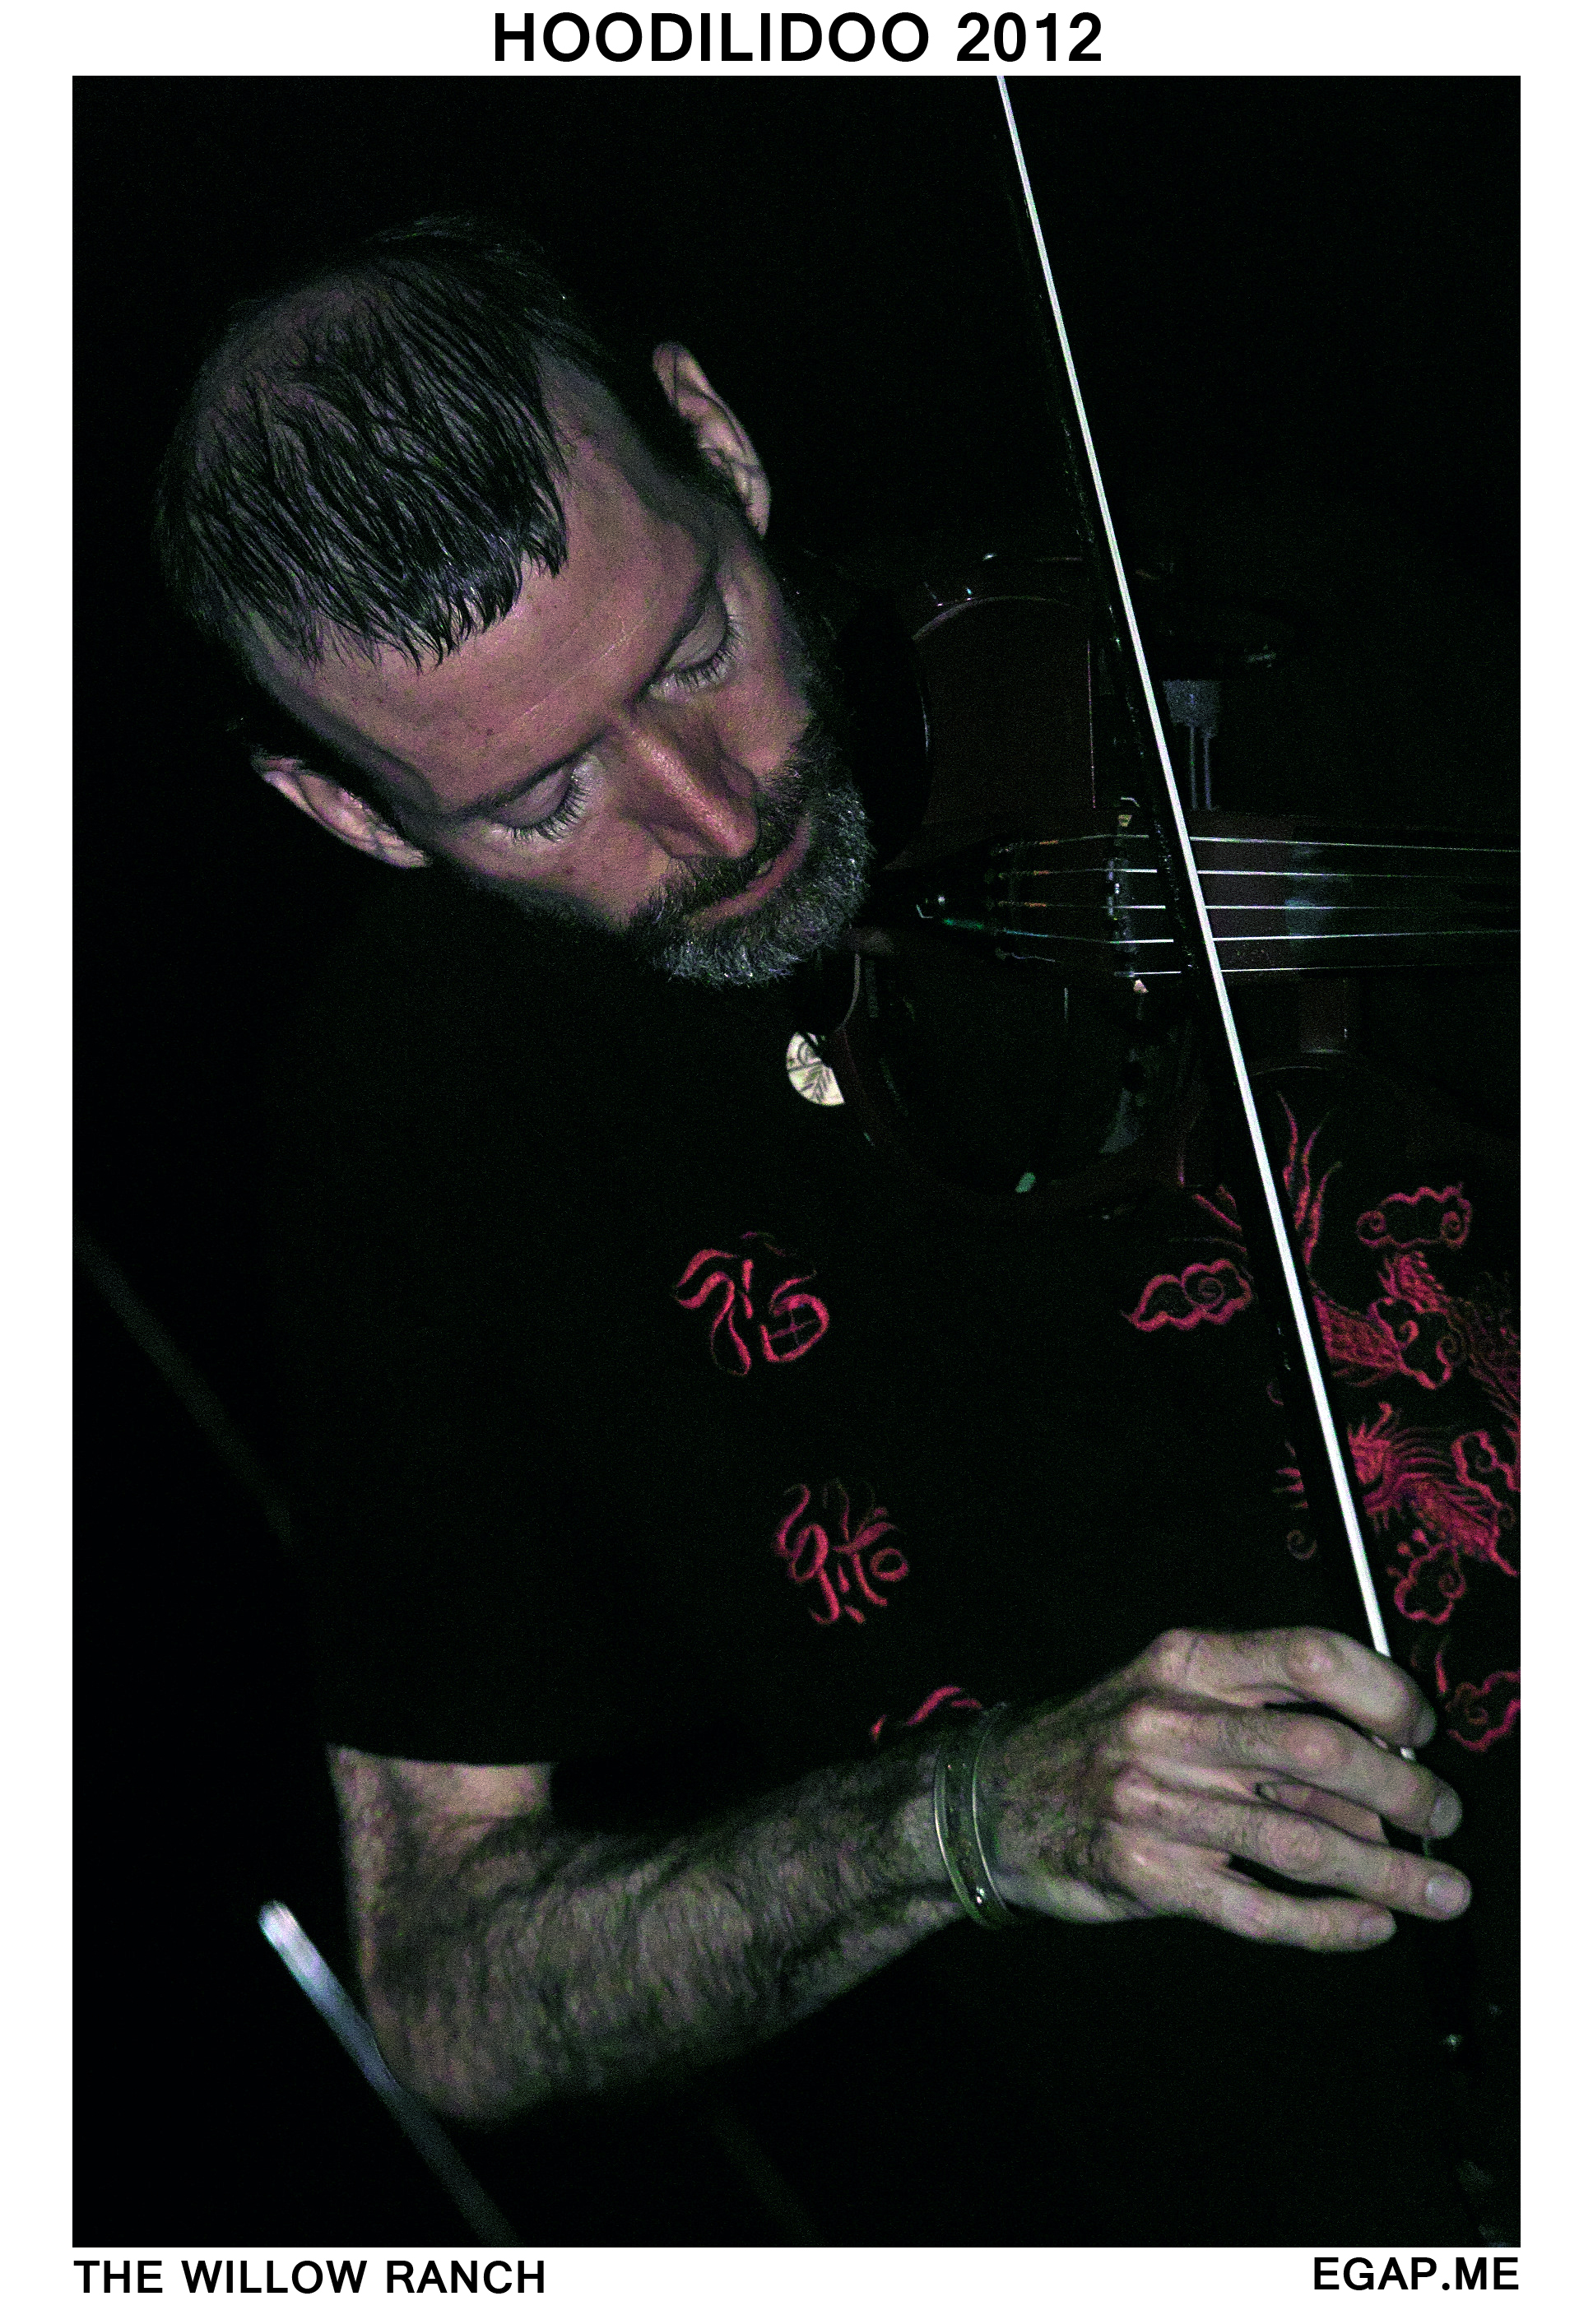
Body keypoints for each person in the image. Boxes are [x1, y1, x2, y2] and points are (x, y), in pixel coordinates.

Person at [154, 216, 1493, 2245]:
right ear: (346, 813)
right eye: (539, 800)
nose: (710, 816)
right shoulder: (418, 1125)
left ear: (712, 438)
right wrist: (956, 1822)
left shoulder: (1234, 621)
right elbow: (450, 1983)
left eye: (694, 652)